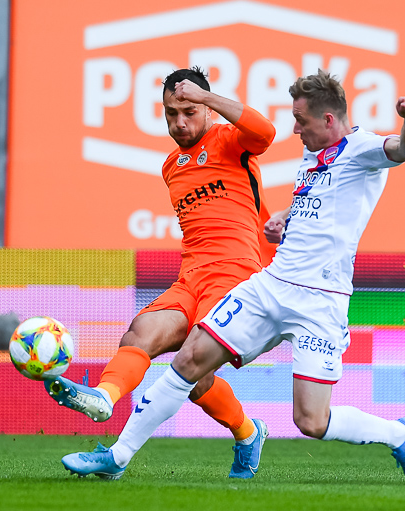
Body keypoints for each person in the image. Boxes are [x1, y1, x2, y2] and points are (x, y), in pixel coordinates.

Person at [61, 69, 405, 485]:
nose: (295, 130)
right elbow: (321, 203)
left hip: (320, 300)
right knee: (189, 361)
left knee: (312, 421)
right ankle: (117, 455)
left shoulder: (363, 149)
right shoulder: (313, 156)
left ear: (328, 120)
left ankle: (399, 435)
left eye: (301, 120)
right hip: (271, 285)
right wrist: (284, 218)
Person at [46, 67, 276, 478]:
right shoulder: (172, 165)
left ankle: (119, 456)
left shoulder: (232, 140)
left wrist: (207, 97)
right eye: (172, 114)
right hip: (190, 277)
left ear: (206, 109)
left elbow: (266, 131)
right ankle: (104, 397)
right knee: (141, 335)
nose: (180, 123)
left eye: (189, 111)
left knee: (193, 369)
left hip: (235, 276)